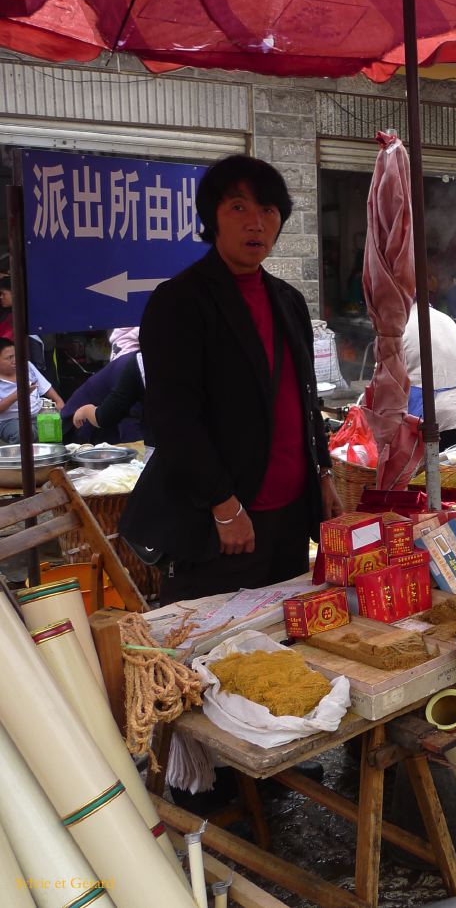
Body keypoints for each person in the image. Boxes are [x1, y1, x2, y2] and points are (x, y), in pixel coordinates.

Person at [120, 154, 340, 604]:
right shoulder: (180, 301)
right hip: (222, 521)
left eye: (268, 210)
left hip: (290, 516)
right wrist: (223, 504)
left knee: (286, 633)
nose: (256, 223)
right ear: (212, 218)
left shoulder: (288, 300)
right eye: (238, 207)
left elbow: (305, 398)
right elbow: (174, 417)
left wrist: (323, 472)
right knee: (215, 640)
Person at [402, 304, 456, 450]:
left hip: (436, 415)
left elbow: (388, 379)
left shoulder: (401, 327)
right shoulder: (446, 319)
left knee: (436, 465)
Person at [64, 352, 146, 444]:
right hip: (84, 421)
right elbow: (128, 423)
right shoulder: (135, 365)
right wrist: (86, 411)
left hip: (105, 416)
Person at [0, 337, 62, 444]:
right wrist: (19, 394)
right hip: (10, 421)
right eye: (9, 357)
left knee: (56, 426)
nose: (15, 360)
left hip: (38, 413)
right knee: (24, 432)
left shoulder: (26, 365)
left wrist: (59, 402)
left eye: (15, 355)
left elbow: (45, 387)